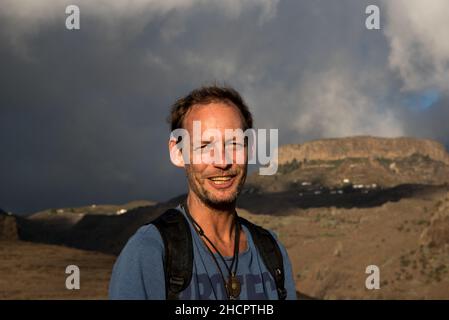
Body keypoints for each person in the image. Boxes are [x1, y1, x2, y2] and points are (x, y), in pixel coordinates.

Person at [109, 85, 296, 300]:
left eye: (234, 143)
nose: (223, 161)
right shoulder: (150, 251)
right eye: (205, 146)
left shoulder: (271, 252)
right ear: (178, 153)